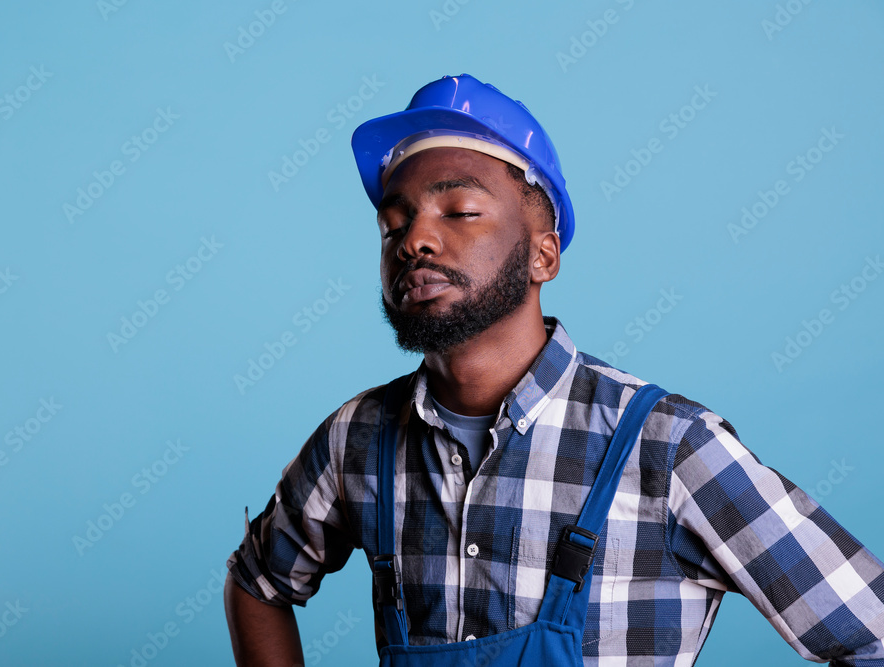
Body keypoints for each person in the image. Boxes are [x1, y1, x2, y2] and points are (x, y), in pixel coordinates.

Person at [224, 74, 884, 666]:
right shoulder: (358, 439)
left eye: (459, 211)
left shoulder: (668, 446)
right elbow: (256, 583)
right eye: (395, 224)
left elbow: (871, 632)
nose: (415, 240)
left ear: (544, 256)